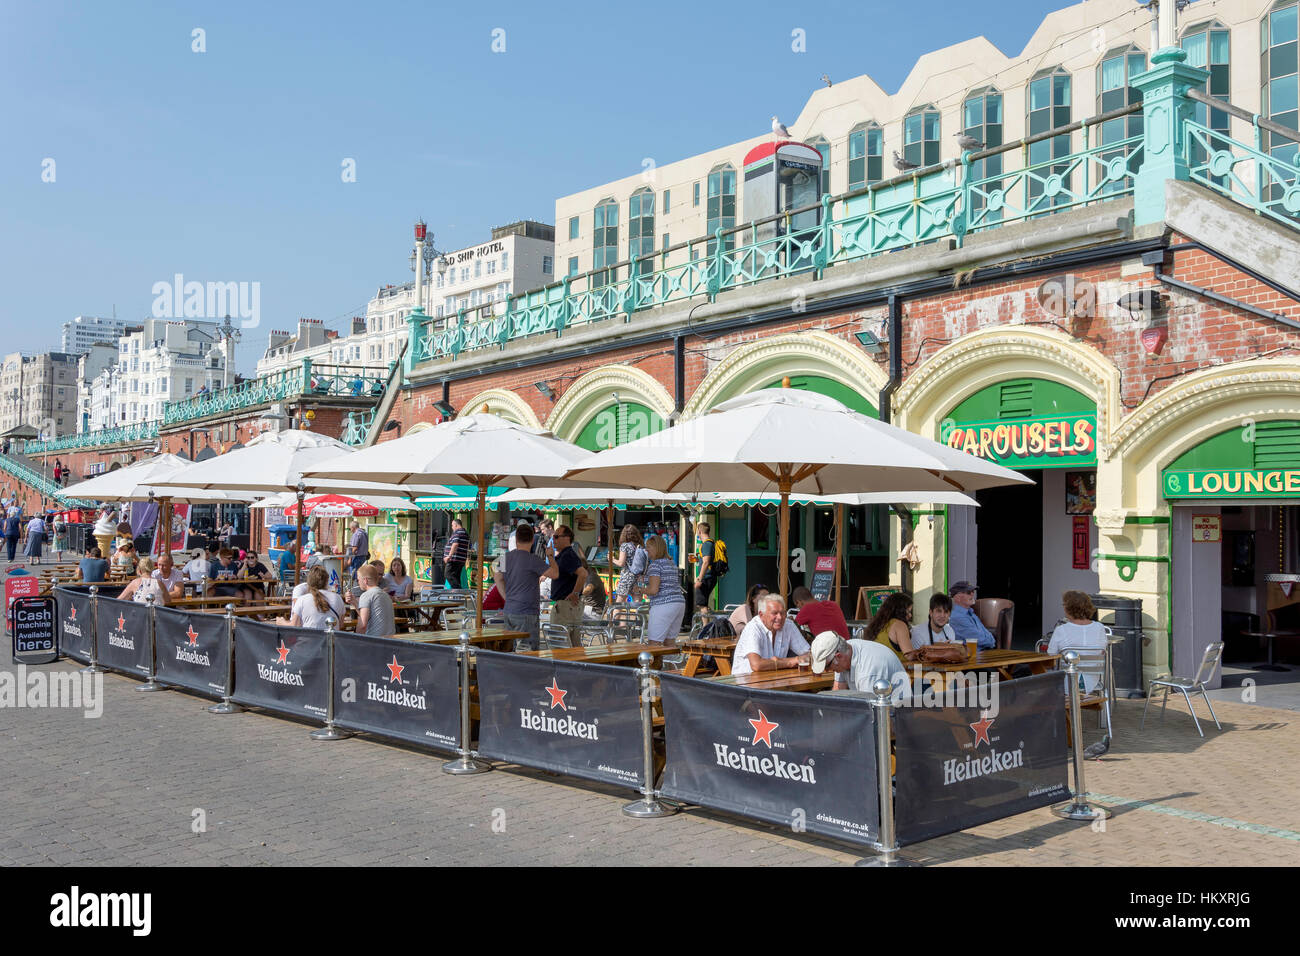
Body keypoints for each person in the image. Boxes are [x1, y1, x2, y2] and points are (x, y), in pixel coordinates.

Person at [492, 523, 557, 651]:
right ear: (533, 540)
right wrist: (550, 556)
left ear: (516, 539)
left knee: (509, 650)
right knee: (527, 652)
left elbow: (497, 577)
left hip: (509, 610)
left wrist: (506, 596)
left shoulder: (505, 558)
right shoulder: (533, 559)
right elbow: (555, 574)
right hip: (527, 612)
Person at [810, 631, 911, 700]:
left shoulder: (868, 672)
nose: (827, 671)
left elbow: (870, 712)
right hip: (878, 709)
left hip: (897, 716)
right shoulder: (846, 648)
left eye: (826, 666)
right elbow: (838, 692)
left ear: (839, 656)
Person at [731, 594, 811, 676]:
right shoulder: (753, 628)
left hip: (773, 680)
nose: (780, 617)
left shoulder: (788, 625)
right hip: (744, 683)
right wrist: (791, 662)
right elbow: (756, 665)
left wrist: (804, 658)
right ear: (761, 615)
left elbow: (809, 654)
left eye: (782, 613)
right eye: (774, 613)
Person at [1048, 590, 1109, 692]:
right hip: (1093, 682)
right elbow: (1102, 651)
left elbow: (1050, 656)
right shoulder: (1099, 627)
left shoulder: (1061, 630)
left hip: (1067, 682)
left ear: (1068, 608)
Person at [640, 534, 685, 644]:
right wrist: (645, 579)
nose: (646, 550)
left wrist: (639, 590)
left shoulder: (655, 565)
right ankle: (669, 662)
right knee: (669, 642)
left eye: (649, 547)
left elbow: (653, 590)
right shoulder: (671, 563)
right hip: (678, 603)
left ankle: (654, 662)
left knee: (654, 643)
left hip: (663, 605)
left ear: (656, 548)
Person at [547, 525, 587, 645]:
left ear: (567, 538)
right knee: (573, 645)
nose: (553, 539)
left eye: (556, 536)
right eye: (553, 537)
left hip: (565, 607)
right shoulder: (565, 555)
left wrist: (575, 593)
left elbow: (583, 574)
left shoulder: (567, 555)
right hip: (568, 606)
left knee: (560, 645)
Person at [947, 581, 997, 650]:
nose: (972, 594)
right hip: (972, 657)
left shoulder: (969, 612)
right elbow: (979, 639)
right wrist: (992, 641)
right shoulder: (958, 617)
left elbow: (985, 632)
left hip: (982, 653)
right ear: (958, 598)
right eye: (968, 592)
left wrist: (991, 641)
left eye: (973, 591)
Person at [867, 592, 915, 661]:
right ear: (900, 610)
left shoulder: (878, 623)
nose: (910, 615)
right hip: (895, 669)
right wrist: (922, 652)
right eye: (909, 611)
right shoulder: (899, 625)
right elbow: (909, 655)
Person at [356, 563, 395, 637]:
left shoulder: (366, 595)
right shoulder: (386, 595)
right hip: (391, 641)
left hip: (375, 642)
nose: (358, 582)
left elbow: (362, 625)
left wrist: (355, 641)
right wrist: (355, 603)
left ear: (365, 580)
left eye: (358, 579)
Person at [611, 525, 645, 604]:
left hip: (627, 577)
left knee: (619, 603)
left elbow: (621, 563)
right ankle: (639, 616)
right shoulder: (640, 546)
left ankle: (615, 617)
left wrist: (612, 559)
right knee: (637, 602)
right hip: (639, 577)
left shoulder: (625, 546)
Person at [692, 521, 722, 610]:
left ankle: (706, 624)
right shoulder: (710, 543)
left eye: (697, 532)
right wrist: (698, 560)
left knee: (702, 605)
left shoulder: (707, 544)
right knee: (702, 604)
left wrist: (699, 579)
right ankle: (708, 620)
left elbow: (706, 562)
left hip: (706, 578)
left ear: (700, 532)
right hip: (708, 577)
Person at [443, 518, 469, 589]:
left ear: (456, 525)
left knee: (448, 574)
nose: (452, 527)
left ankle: (458, 590)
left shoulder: (458, 532)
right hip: (461, 560)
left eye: (452, 525)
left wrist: (449, 556)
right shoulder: (465, 533)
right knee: (456, 577)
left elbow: (455, 544)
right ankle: (457, 596)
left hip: (454, 560)